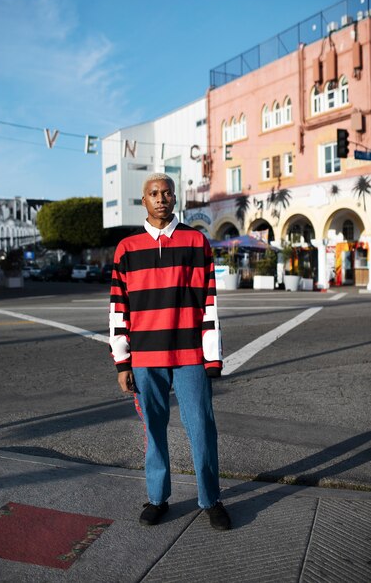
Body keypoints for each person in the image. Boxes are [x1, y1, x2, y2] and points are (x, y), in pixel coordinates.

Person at [109, 173, 231, 531]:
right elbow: (118, 308)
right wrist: (122, 360)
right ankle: (158, 498)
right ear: (143, 200)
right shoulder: (126, 249)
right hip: (146, 359)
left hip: (190, 355)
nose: (161, 198)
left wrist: (212, 356)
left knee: (203, 429)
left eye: (166, 193)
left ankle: (211, 499)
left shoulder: (197, 242)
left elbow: (209, 302)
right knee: (154, 432)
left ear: (175, 198)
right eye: (153, 193)